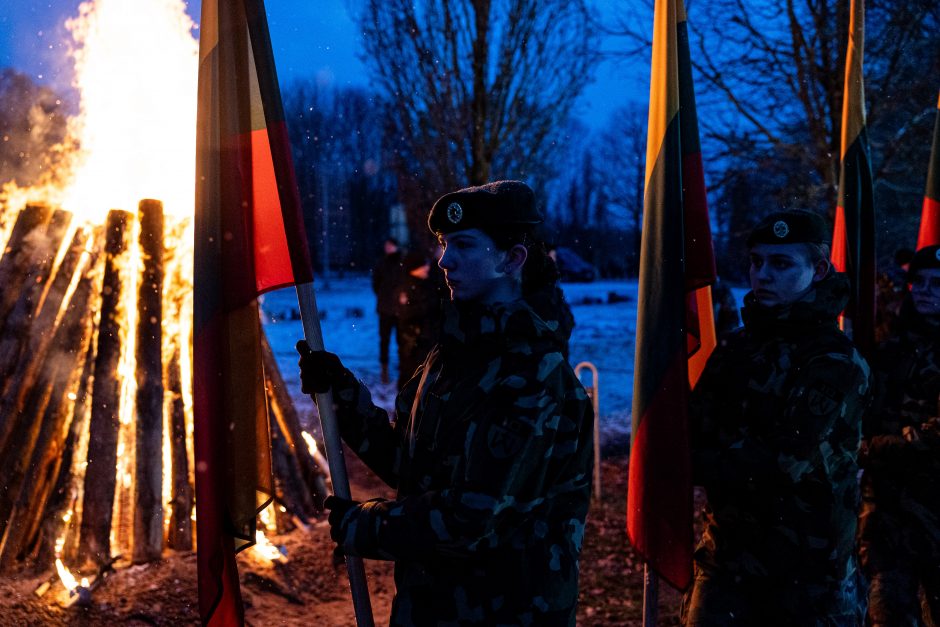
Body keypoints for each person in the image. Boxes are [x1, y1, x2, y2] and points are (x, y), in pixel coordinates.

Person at [297, 180, 594, 625]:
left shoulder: (534, 373)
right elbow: (412, 467)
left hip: (506, 613)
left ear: (511, 259)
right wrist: (341, 396)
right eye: (444, 244)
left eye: (464, 245)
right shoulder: (453, 355)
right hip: (431, 607)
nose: (444, 260)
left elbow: (473, 517)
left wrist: (366, 525)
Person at [682, 209, 872, 625]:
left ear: (818, 270)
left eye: (781, 263)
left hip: (808, 577)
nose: (762, 275)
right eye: (756, 261)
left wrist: (702, 461)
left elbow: (783, 463)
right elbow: (693, 432)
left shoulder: (834, 359)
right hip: (727, 562)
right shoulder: (737, 349)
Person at [858, 244, 940, 626]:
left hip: (934, 505)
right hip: (888, 511)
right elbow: (865, 413)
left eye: (936, 284)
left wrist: (878, 446)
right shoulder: (889, 345)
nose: (924, 291)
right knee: (887, 613)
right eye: (918, 283)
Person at [395, 250, 441, 391]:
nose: (427, 267)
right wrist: (428, 306)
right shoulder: (405, 288)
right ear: (414, 268)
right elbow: (405, 313)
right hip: (413, 345)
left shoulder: (428, 284)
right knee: (412, 380)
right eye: (423, 265)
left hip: (429, 341)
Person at [372, 237, 403, 384]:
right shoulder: (381, 263)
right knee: (384, 340)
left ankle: (404, 367)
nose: (388, 248)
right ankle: (384, 371)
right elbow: (376, 284)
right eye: (387, 245)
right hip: (385, 309)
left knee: (401, 340)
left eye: (390, 245)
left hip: (400, 309)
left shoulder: (402, 262)